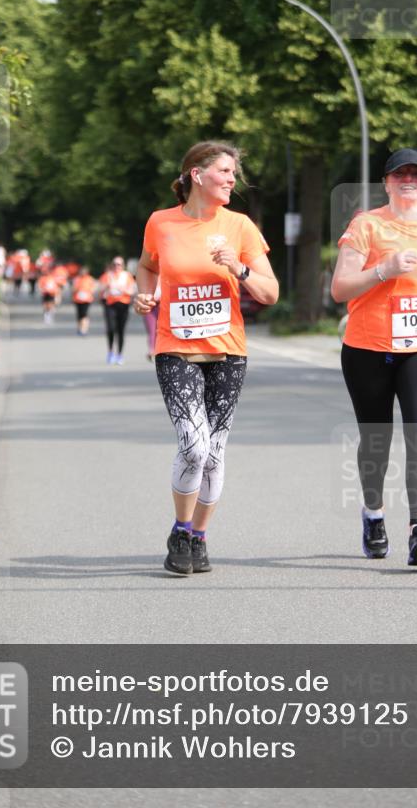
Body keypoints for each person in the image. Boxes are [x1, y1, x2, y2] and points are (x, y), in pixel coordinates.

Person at [135, 141, 279, 575]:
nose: (233, 179)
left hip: (227, 352)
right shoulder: (161, 223)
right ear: (197, 175)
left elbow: (270, 293)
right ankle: (180, 530)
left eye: (234, 172)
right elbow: (147, 266)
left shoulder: (240, 227)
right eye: (225, 171)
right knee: (194, 446)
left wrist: (239, 268)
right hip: (176, 349)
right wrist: (145, 293)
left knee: (214, 453)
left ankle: (198, 536)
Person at [331, 148, 417, 567]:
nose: (409, 180)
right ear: (386, 183)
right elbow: (340, 288)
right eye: (400, 174)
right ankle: (374, 513)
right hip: (369, 347)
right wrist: (384, 269)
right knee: (377, 440)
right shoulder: (366, 225)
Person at [98, 256, 136, 364]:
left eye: (119, 264)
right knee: (110, 328)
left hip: (123, 305)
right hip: (110, 305)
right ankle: (110, 352)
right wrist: (107, 287)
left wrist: (123, 289)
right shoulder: (107, 275)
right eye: (114, 264)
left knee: (121, 330)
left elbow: (132, 291)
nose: (116, 266)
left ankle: (119, 354)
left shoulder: (127, 276)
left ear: (123, 266)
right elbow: (99, 290)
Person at [72, 266, 96, 335]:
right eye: (81, 271)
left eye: (84, 271)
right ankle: (80, 327)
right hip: (78, 299)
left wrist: (88, 291)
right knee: (79, 315)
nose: (82, 273)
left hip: (86, 300)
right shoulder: (76, 279)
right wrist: (77, 289)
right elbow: (73, 288)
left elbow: (93, 288)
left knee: (84, 314)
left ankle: (84, 329)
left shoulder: (90, 279)